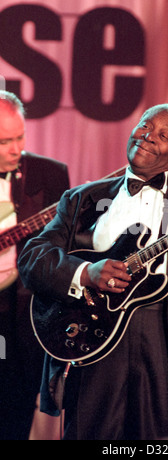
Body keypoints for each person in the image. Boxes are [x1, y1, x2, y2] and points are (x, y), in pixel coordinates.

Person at [18, 103, 168, 440]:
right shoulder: (81, 199)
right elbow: (33, 258)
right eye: (145, 126)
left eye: (163, 135)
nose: (148, 136)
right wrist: (86, 273)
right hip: (94, 341)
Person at [0, 90, 70, 440]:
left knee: (15, 409)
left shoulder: (51, 175)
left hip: (23, 316)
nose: (15, 149)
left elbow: (64, 247)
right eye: (3, 141)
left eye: (20, 137)